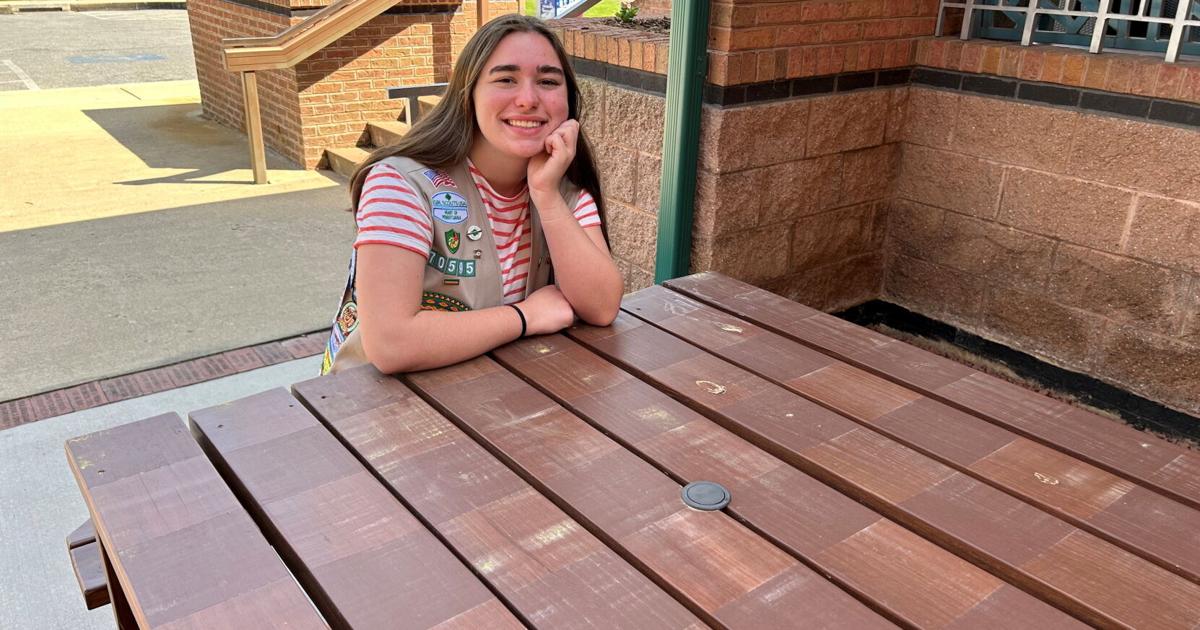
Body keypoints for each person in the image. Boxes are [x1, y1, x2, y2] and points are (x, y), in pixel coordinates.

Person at [321, 14, 622, 375]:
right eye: (506, 79)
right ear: (469, 94)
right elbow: (390, 343)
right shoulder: (401, 184)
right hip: (379, 410)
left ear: (568, 101)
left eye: (547, 81)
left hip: (495, 397)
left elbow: (602, 307)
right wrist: (525, 317)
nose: (528, 99)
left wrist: (546, 195)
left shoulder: (562, 189)